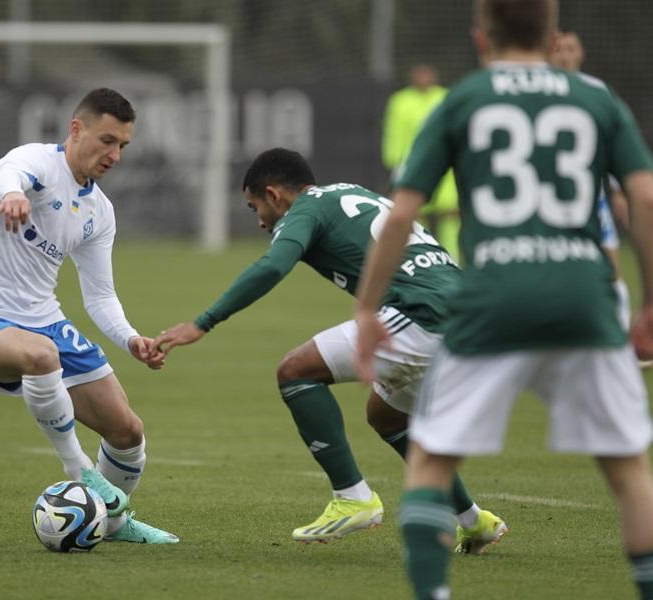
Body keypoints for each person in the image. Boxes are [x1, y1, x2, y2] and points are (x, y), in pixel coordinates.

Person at [354, 1, 653, 598]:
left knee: (432, 458)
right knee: (628, 471)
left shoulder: (463, 100)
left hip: (491, 301)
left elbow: (401, 215)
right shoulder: (596, 100)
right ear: (553, 34)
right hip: (584, 299)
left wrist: (366, 309)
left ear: (480, 38)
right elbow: (643, 199)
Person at [153, 148, 505, 547]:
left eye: (255, 208)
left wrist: (202, 323)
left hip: (425, 315)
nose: (260, 221)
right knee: (387, 416)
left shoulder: (305, 209)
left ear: (274, 195)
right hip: (468, 317)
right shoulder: (350, 193)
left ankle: (352, 497)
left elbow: (272, 266)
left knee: (295, 371)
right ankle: (474, 521)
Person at [0, 88, 178, 544]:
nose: (115, 155)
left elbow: (100, 295)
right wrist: (13, 194)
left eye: (123, 146)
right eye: (107, 141)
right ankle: (79, 470)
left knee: (127, 430)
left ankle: (112, 525)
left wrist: (131, 338)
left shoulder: (100, 211)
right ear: (76, 129)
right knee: (41, 355)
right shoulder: (34, 163)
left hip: (45, 320)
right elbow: (7, 173)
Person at [550, 29, 634, 333]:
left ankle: (619, 333)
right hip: (549, 199)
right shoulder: (540, 89)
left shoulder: (597, 91)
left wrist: (617, 190)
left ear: (581, 53)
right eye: (559, 49)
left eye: (571, 48)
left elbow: (609, 143)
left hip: (591, 197)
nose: (565, 55)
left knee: (610, 269)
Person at [382, 64, 460, 260]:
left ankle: (452, 255)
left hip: (447, 163)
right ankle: (422, 254)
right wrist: (395, 161)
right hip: (415, 163)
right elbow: (394, 132)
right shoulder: (400, 100)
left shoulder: (445, 96)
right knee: (414, 211)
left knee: (450, 211)